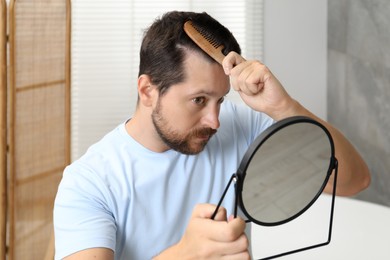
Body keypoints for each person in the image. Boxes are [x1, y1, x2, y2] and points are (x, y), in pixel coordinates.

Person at [53, 11, 370, 260]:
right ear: (148, 91)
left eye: (220, 100)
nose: (214, 120)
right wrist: (184, 255)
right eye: (198, 100)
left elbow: (354, 180)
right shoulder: (89, 183)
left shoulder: (238, 126)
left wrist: (283, 106)